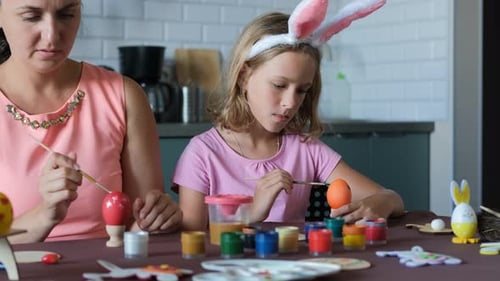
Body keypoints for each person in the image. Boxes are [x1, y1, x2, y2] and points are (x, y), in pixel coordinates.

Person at [172, 0, 404, 231]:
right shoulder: (203, 154)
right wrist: (251, 213)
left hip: (297, 266)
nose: (290, 103)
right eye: (279, 85)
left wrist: (379, 204)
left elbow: (391, 198)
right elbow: (191, 238)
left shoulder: (306, 149)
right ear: (243, 77)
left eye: (302, 90)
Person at [0, 0, 181, 244]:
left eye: (66, 15)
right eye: (31, 16)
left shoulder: (124, 96)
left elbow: (139, 226)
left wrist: (156, 220)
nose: (52, 35)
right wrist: (45, 215)